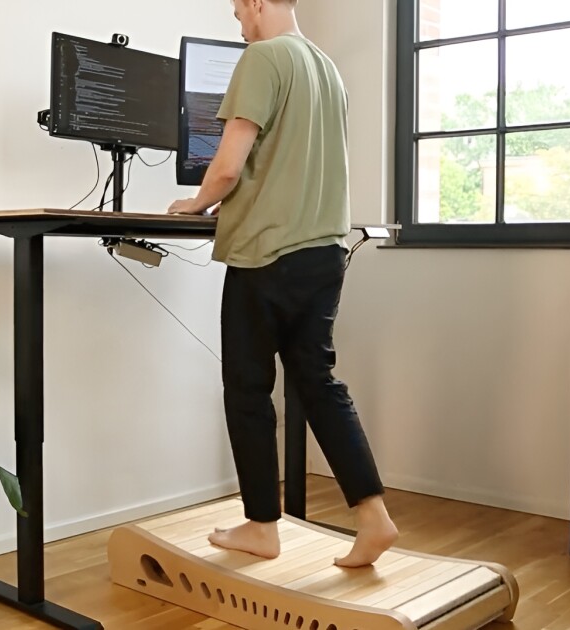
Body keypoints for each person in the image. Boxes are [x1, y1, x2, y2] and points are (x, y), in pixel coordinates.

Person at [167, 0, 397, 568]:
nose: (239, 25)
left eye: (238, 13)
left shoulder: (263, 57)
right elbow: (285, 165)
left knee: (248, 392)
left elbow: (226, 166)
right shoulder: (326, 67)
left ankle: (261, 527)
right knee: (319, 384)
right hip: (323, 254)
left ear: (256, 2)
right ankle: (374, 518)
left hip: (266, 255)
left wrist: (194, 204)